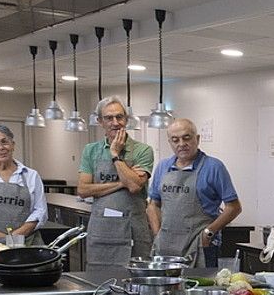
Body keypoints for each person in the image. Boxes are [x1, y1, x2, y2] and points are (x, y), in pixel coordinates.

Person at [148, 118, 242, 266]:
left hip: (199, 246)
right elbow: (153, 204)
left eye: (186, 138)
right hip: (165, 247)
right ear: (170, 143)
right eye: (175, 140)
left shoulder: (213, 167)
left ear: (197, 139)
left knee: (200, 285)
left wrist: (208, 234)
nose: (181, 144)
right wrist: (157, 233)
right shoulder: (163, 167)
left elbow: (234, 207)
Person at [78, 97, 154, 267]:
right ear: (100, 122)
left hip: (133, 230)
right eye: (109, 118)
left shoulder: (143, 151)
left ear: (126, 120)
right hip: (101, 232)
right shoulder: (91, 151)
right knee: (99, 283)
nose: (115, 122)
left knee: (135, 282)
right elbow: (83, 189)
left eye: (119, 117)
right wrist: (121, 183)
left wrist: (115, 154)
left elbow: (134, 186)